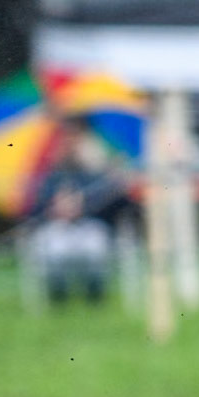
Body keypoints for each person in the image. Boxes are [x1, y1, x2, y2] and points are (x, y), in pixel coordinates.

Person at [28, 120, 130, 305]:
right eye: (66, 140)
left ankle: (95, 295)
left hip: (88, 226)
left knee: (95, 245)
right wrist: (55, 208)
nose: (70, 145)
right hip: (58, 228)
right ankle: (59, 296)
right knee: (53, 248)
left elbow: (113, 206)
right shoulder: (48, 178)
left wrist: (83, 206)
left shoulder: (96, 175)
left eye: (75, 139)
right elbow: (33, 210)